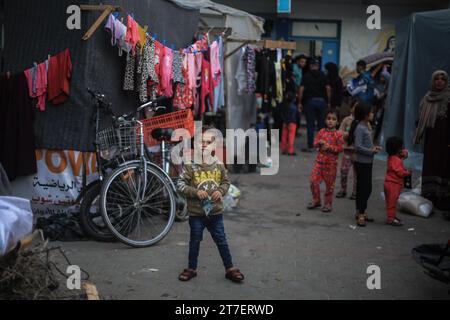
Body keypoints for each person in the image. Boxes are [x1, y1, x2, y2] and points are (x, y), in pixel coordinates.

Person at [177, 127, 244, 283]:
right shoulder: (189, 165)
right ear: (195, 144)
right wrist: (194, 191)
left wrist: (220, 191)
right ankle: (191, 268)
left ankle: (230, 268)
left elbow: (226, 183)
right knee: (195, 240)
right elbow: (179, 185)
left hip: (215, 213)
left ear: (215, 146)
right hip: (196, 214)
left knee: (221, 240)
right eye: (202, 141)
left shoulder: (219, 165)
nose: (205, 145)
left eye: (209, 142)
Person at [414, 70, 450, 212]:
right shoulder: (427, 98)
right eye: (437, 79)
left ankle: (443, 198)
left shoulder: (448, 98)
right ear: (433, 81)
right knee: (431, 165)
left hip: (445, 141)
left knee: (443, 166)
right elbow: (421, 119)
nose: (439, 81)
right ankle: (430, 196)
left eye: (442, 79)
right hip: (431, 140)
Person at [348, 101, 382, 227]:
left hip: (366, 162)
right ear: (365, 115)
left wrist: (373, 148)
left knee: (364, 187)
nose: (373, 114)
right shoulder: (361, 128)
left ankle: (360, 211)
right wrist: (371, 151)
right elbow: (358, 146)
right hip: (362, 162)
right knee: (365, 189)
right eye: (371, 112)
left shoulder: (365, 126)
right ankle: (361, 213)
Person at [308, 110, 344, 212]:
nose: (330, 121)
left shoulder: (338, 134)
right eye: (328, 119)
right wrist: (319, 143)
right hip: (319, 162)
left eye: (333, 119)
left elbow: (341, 148)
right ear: (325, 120)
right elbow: (314, 143)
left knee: (329, 185)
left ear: (337, 122)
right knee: (313, 181)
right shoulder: (321, 132)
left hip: (331, 164)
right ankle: (316, 200)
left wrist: (329, 147)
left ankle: (328, 204)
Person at [298, 58, 332, 152]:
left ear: (310, 66)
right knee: (321, 124)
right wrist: (328, 101)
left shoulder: (306, 76)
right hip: (322, 102)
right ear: (318, 66)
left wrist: (300, 102)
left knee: (310, 125)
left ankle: (310, 145)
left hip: (310, 102)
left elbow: (301, 89)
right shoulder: (324, 75)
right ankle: (321, 145)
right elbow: (328, 89)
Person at [384, 137, 411, 226]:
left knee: (390, 202)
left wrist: (404, 153)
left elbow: (404, 154)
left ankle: (392, 216)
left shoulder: (391, 157)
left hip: (388, 183)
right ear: (398, 149)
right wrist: (407, 173)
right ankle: (391, 219)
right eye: (401, 147)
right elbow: (399, 173)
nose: (403, 149)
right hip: (393, 185)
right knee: (392, 203)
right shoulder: (397, 160)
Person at [336, 100, 358, 200]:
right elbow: (339, 132)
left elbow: (368, 133)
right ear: (351, 108)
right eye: (355, 106)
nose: (356, 109)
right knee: (344, 171)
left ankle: (355, 192)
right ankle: (343, 189)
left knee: (357, 174)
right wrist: (347, 135)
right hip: (347, 151)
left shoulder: (363, 122)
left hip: (358, 152)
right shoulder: (346, 120)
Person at [281, 91, 298, 156]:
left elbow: (282, 114)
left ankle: (283, 149)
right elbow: (293, 115)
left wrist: (285, 121)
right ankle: (290, 150)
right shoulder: (293, 107)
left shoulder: (284, 105)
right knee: (291, 137)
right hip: (292, 123)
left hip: (285, 123)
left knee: (284, 136)